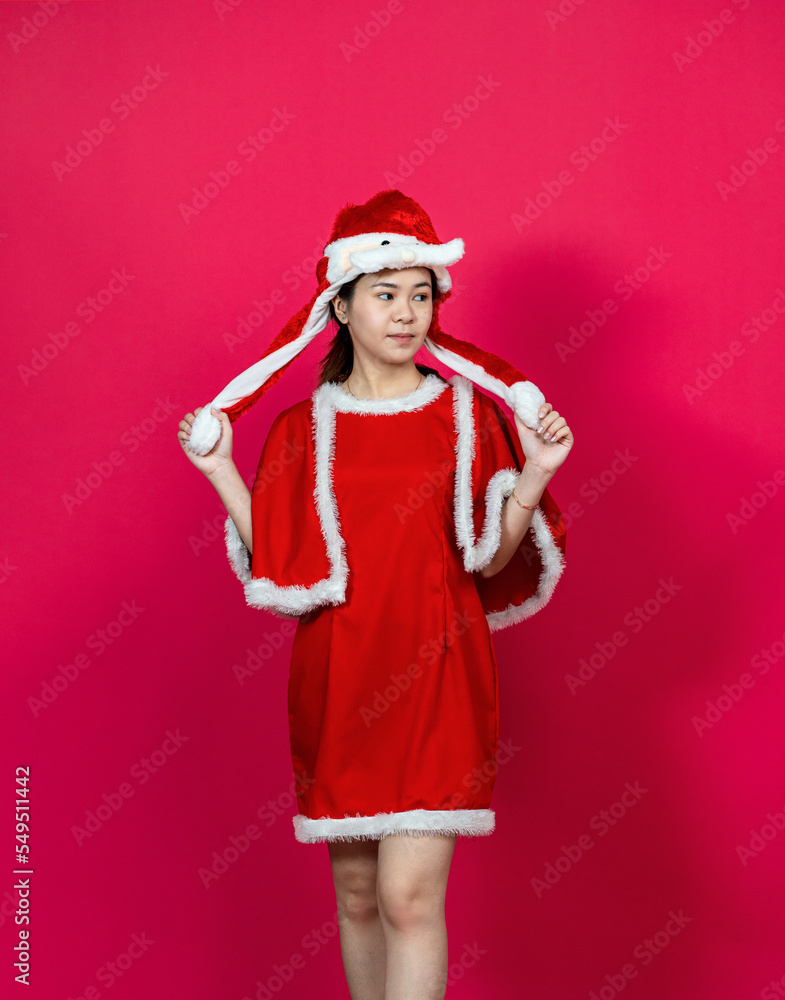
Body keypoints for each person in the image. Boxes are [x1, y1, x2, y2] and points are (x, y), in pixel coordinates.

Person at [177, 191, 573, 1000]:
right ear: (342, 304)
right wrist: (219, 470)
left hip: (439, 674)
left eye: (420, 294)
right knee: (358, 898)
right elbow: (282, 560)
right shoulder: (300, 427)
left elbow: (488, 560)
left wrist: (532, 475)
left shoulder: (467, 414)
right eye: (387, 294)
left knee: (408, 896)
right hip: (340, 678)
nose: (406, 314)